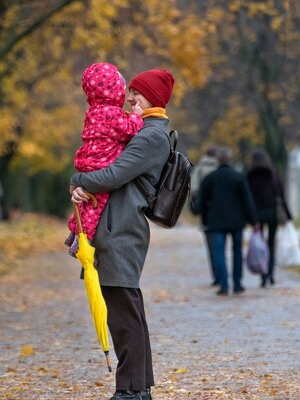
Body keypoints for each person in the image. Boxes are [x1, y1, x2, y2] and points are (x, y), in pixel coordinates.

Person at [71, 69, 175, 400]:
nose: (130, 99)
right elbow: (105, 167)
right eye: (129, 91)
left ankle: (130, 390)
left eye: (137, 94)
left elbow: (114, 174)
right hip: (119, 227)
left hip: (122, 230)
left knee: (123, 313)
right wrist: (82, 186)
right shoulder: (143, 132)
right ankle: (138, 387)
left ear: (153, 100)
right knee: (128, 311)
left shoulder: (150, 136)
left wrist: (78, 180)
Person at [66, 63, 144, 256]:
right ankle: (84, 242)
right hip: (103, 161)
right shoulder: (112, 113)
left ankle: (75, 233)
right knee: (95, 204)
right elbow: (130, 130)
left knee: (85, 202)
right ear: (114, 89)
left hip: (90, 160)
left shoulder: (93, 111)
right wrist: (136, 116)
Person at [199, 147, 258, 296]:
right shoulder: (238, 177)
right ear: (230, 159)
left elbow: (202, 202)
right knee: (237, 251)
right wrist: (253, 220)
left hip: (216, 221)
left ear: (218, 160)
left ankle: (224, 284)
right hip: (237, 221)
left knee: (219, 252)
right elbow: (247, 201)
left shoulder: (210, 178)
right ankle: (237, 284)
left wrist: (205, 220)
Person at [246, 149, 292, 287]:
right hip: (272, 213)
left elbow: (247, 197)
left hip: (257, 214)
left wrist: (249, 217)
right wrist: (288, 215)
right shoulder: (272, 174)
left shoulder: (250, 175)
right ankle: (270, 275)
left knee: (260, 245)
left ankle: (262, 275)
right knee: (271, 244)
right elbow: (280, 194)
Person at [189, 147, 219, 285]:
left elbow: (193, 188)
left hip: (206, 211)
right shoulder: (221, 167)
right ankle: (223, 274)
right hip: (222, 211)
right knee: (222, 245)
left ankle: (216, 275)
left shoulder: (200, 169)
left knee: (211, 246)